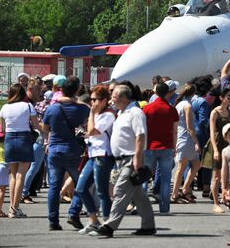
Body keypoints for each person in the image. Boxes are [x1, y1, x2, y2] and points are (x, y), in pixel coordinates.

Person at [89, 85, 155, 238]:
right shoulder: (121, 112)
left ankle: (110, 225)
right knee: (138, 195)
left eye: (114, 97)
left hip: (131, 158)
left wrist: (138, 158)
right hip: (121, 159)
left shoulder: (135, 112)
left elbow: (140, 135)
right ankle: (148, 225)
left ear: (124, 98)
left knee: (119, 191)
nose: (111, 100)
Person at [42, 76, 90, 230]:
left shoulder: (52, 108)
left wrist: (48, 141)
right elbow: (87, 124)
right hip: (71, 149)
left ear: (61, 90)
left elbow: (45, 128)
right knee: (80, 183)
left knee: (54, 186)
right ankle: (74, 211)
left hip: (54, 149)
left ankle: (53, 221)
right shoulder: (82, 108)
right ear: (76, 90)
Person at [75, 85, 116, 234]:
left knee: (102, 192)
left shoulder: (108, 115)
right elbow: (91, 133)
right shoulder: (99, 113)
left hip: (103, 155)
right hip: (93, 155)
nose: (92, 103)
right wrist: (84, 134)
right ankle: (94, 220)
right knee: (81, 188)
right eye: (91, 100)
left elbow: (93, 131)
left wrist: (91, 114)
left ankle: (107, 224)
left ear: (104, 100)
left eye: (95, 100)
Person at [0, 83, 40, 218]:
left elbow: (3, 128)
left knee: (13, 174)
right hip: (24, 138)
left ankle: (12, 206)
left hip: (9, 139)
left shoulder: (4, 107)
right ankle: (15, 208)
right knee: (21, 174)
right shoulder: (28, 106)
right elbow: (36, 125)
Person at [143, 81, 179, 214]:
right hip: (166, 146)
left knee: (144, 178)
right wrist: (174, 147)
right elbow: (175, 131)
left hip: (149, 146)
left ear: (156, 92)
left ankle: (142, 207)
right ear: (168, 92)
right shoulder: (171, 109)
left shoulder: (147, 108)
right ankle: (164, 208)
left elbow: (143, 128)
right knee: (165, 179)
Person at [172, 83, 201, 204]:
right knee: (183, 166)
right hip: (186, 138)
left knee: (195, 164)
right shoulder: (187, 106)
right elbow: (190, 127)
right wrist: (197, 142)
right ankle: (175, 193)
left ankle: (184, 189)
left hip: (181, 137)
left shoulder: (179, 104)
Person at [206, 88, 230, 213]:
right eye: (228, 97)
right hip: (217, 143)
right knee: (216, 175)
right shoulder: (215, 112)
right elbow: (212, 132)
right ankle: (215, 203)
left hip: (228, 144)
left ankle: (226, 197)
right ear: (221, 98)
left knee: (227, 174)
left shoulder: (229, 112)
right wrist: (215, 150)